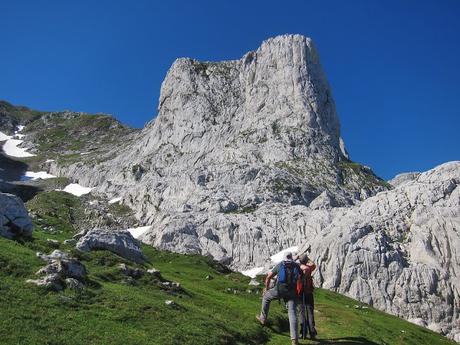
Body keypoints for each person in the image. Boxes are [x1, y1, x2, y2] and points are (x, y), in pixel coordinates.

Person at [256, 252, 300, 345]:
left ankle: (263, 319)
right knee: (292, 313)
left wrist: (266, 289)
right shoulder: (296, 266)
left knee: (266, 297)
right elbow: (301, 277)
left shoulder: (280, 265)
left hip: (279, 290)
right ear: (291, 258)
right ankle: (294, 340)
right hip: (292, 292)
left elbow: (268, 277)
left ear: (284, 258)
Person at [298, 253, 317, 340]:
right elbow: (314, 265)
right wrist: (308, 259)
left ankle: (303, 333)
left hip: (299, 293)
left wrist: (298, 259)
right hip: (308, 293)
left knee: (301, 312)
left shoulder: (297, 268)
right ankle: (312, 333)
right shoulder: (308, 269)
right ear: (306, 261)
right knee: (310, 312)